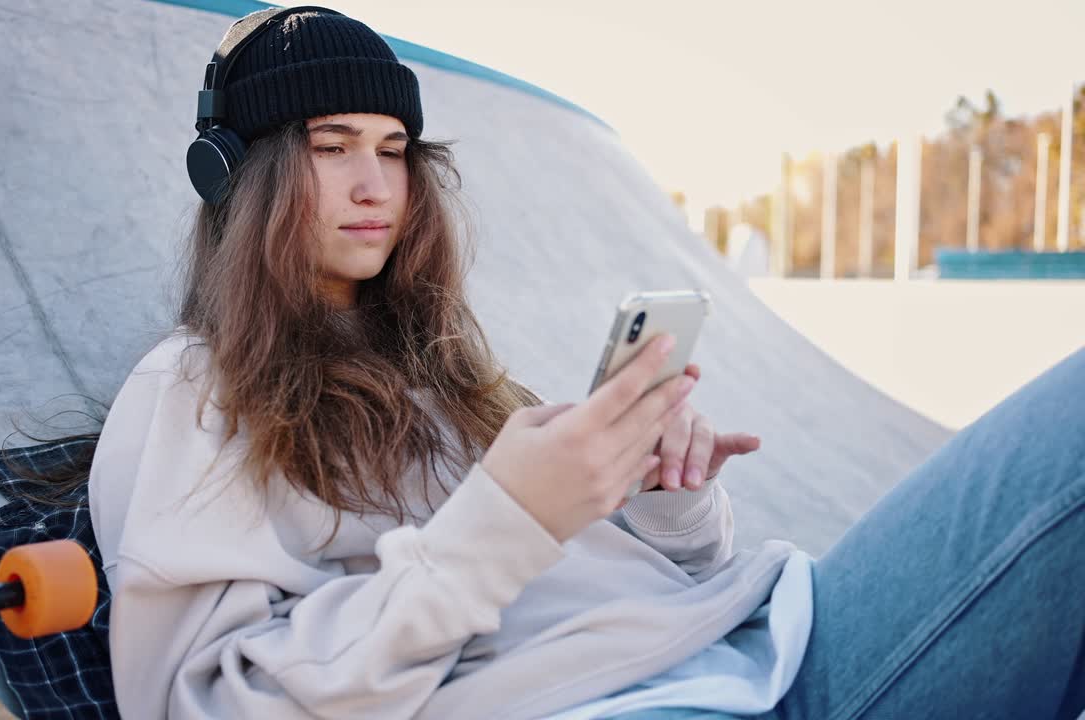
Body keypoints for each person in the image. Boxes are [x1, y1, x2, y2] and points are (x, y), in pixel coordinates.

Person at [84, 7, 1085, 719]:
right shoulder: (195, 390)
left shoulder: (439, 370)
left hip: (749, 639)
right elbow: (208, 701)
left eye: (392, 150)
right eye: (330, 145)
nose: (371, 183)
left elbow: (596, 578)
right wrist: (504, 518)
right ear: (239, 172)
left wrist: (663, 502)